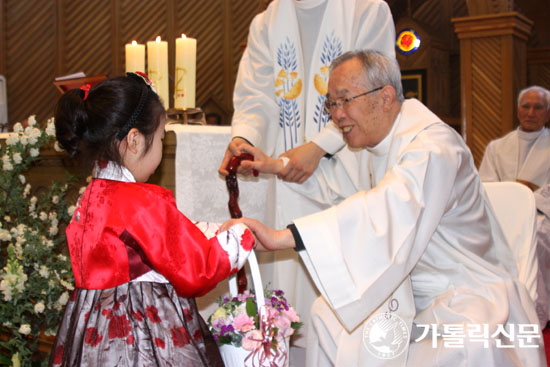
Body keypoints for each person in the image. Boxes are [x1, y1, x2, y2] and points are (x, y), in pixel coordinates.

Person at [221, 50, 545, 366]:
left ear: (386, 96)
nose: (336, 115)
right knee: (326, 316)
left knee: (461, 347)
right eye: (331, 103)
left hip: (462, 292)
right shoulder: (375, 142)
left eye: (345, 100)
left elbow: (390, 207)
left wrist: (284, 237)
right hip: (404, 289)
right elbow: (331, 182)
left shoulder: (433, 147)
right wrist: (272, 167)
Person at [218, 0, 396, 346]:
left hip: (348, 169)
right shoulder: (267, 22)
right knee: (289, 307)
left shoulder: (367, 10)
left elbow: (372, 92)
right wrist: (244, 138)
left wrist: (319, 146)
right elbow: (257, 98)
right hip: (286, 182)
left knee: (343, 309)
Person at [49, 73, 254, 366]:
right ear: (135, 140)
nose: (161, 146)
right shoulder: (142, 201)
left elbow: (137, 252)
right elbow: (196, 269)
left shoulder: (89, 198)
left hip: (94, 334)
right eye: (160, 138)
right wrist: (239, 238)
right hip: (139, 331)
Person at [478, 85, 550, 191]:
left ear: (548, 114)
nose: (531, 113)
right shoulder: (496, 147)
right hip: (503, 205)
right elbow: (487, 185)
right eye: (526, 107)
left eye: (538, 107)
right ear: (518, 111)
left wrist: (526, 199)